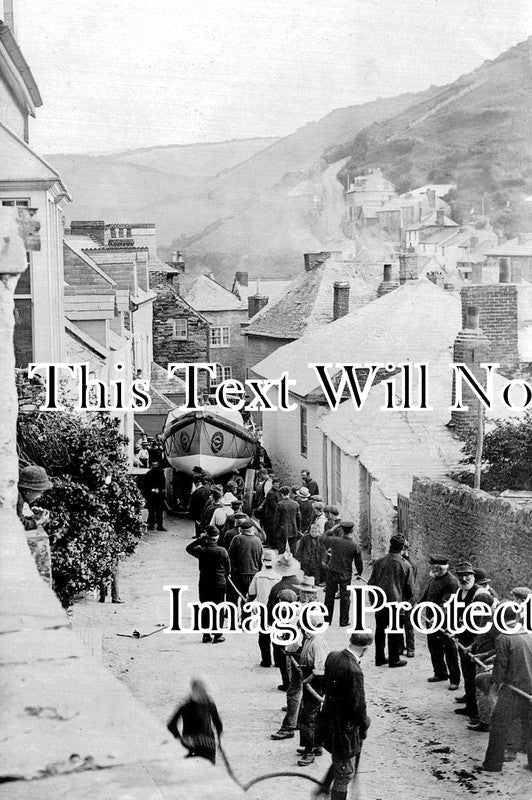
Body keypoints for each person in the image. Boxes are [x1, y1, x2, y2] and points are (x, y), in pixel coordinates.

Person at [316, 631, 373, 800]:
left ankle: (324, 789)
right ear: (365, 649)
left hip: (327, 720)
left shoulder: (333, 656)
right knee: (345, 772)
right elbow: (358, 705)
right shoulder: (354, 671)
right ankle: (331, 793)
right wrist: (364, 724)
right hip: (343, 728)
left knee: (341, 759)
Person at [482, 587, 532, 773]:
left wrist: (494, 689)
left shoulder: (504, 638)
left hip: (512, 691)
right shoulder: (528, 635)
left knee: (499, 727)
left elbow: (500, 669)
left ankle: (492, 765)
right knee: (530, 729)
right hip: (529, 690)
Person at [369, 534, 414, 667]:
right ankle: (394, 659)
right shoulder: (405, 565)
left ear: (390, 545)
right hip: (396, 603)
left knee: (380, 630)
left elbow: (371, 583)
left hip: (380, 602)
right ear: (402, 548)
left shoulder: (379, 561)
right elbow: (409, 589)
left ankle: (379, 658)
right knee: (394, 630)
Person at [453, 562, 490, 722]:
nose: (464, 577)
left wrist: (475, 644)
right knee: (467, 674)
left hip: (476, 642)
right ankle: (469, 705)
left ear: (473, 576)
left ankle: (476, 713)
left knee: (474, 676)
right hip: (463, 639)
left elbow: (483, 623)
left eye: (467, 574)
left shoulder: (479, 594)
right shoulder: (460, 591)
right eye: (460, 575)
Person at [421, 555, 461, 689]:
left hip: (446, 622)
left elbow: (447, 603)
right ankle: (440, 673)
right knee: (434, 647)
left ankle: (454, 679)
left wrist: (438, 616)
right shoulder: (435, 578)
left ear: (439, 568)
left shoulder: (452, 582)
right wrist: (417, 606)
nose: (430, 568)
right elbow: (426, 595)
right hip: (431, 621)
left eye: (433, 566)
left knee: (450, 650)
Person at [295, 612, 329, 766]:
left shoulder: (317, 642)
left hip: (316, 682)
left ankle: (310, 750)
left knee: (309, 717)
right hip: (310, 679)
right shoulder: (309, 639)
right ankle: (316, 745)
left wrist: (306, 681)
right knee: (306, 715)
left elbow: (320, 669)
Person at [186, 527, 230, 643]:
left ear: (208, 538)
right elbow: (228, 569)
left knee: (205, 607)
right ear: (217, 538)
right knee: (219, 608)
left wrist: (201, 540)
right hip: (219, 583)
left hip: (205, 583)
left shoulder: (202, 551)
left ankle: (206, 634)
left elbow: (189, 548)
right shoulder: (222, 551)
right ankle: (217, 634)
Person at [268, 549, 302, 690]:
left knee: (280, 653)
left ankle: (286, 681)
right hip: (296, 625)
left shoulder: (277, 588)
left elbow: (269, 609)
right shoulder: (300, 585)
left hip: (279, 625)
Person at [167, 678, 223, 764]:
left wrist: (181, 740)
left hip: (193, 746)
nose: (202, 694)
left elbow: (171, 725)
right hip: (206, 746)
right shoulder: (208, 704)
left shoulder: (186, 705)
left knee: (196, 773)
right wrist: (218, 739)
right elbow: (218, 723)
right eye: (201, 691)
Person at [322, 522, 363, 627]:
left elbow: (322, 538)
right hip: (345, 574)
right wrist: (359, 573)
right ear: (352, 531)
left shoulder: (335, 541)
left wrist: (332, 530)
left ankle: (327, 620)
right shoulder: (355, 546)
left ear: (342, 530)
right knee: (345, 597)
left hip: (332, 571)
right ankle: (343, 621)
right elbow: (359, 563)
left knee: (329, 595)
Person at [248, 550, 280, 667]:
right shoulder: (279, 576)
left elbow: (251, 592)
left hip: (263, 609)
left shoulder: (258, 575)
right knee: (277, 635)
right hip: (276, 609)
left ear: (263, 561)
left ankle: (266, 660)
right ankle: (278, 660)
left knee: (264, 636)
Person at [227, 517, 263, 598]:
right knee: (249, 598)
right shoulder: (258, 540)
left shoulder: (237, 538)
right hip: (253, 574)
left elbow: (230, 556)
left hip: (239, 574)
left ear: (241, 530)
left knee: (234, 597)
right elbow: (260, 559)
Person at [17, 465, 52, 531]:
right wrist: (39, 522)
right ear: (28, 491)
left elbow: (17, 518)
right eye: (39, 492)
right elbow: (17, 524)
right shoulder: (18, 500)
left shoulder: (18, 495)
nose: (39, 496)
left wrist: (33, 517)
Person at [296, 510, 326, 584]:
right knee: (305, 578)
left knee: (316, 580)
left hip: (316, 562)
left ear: (318, 532)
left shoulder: (321, 539)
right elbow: (300, 549)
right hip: (306, 561)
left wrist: (323, 560)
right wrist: (298, 559)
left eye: (315, 532)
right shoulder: (305, 538)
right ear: (310, 531)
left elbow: (323, 551)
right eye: (312, 531)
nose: (314, 533)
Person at [274, 485, 301, 552]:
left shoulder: (280, 504)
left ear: (281, 494)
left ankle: (281, 561)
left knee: (281, 549)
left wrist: (275, 529)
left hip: (282, 529)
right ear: (289, 493)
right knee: (293, 549)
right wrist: (299, 529)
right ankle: (293, 562)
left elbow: (277, 519)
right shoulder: (295, 504)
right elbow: (299, 518)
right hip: (293, 528)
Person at [143, 458, 167, 531]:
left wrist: (150, 491)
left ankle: (152, 525)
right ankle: (159, 525)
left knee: (152, 511)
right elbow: (163, 484)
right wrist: (159, 490)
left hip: (152, 495)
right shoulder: (160, 473)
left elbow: (145, 486)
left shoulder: (148, 474)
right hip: (157, 495)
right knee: (158, 511)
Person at [261, 477, 281, 547]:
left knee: (270, 528)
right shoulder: (271, 493)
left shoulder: (275, 492)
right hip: (271, 514)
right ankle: (271, 544)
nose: (277, 486)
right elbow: (273, 506)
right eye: (275, 484)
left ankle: (269, 542)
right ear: (272, 484)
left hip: (271, 513)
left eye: (278, 484)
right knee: (271, 529)